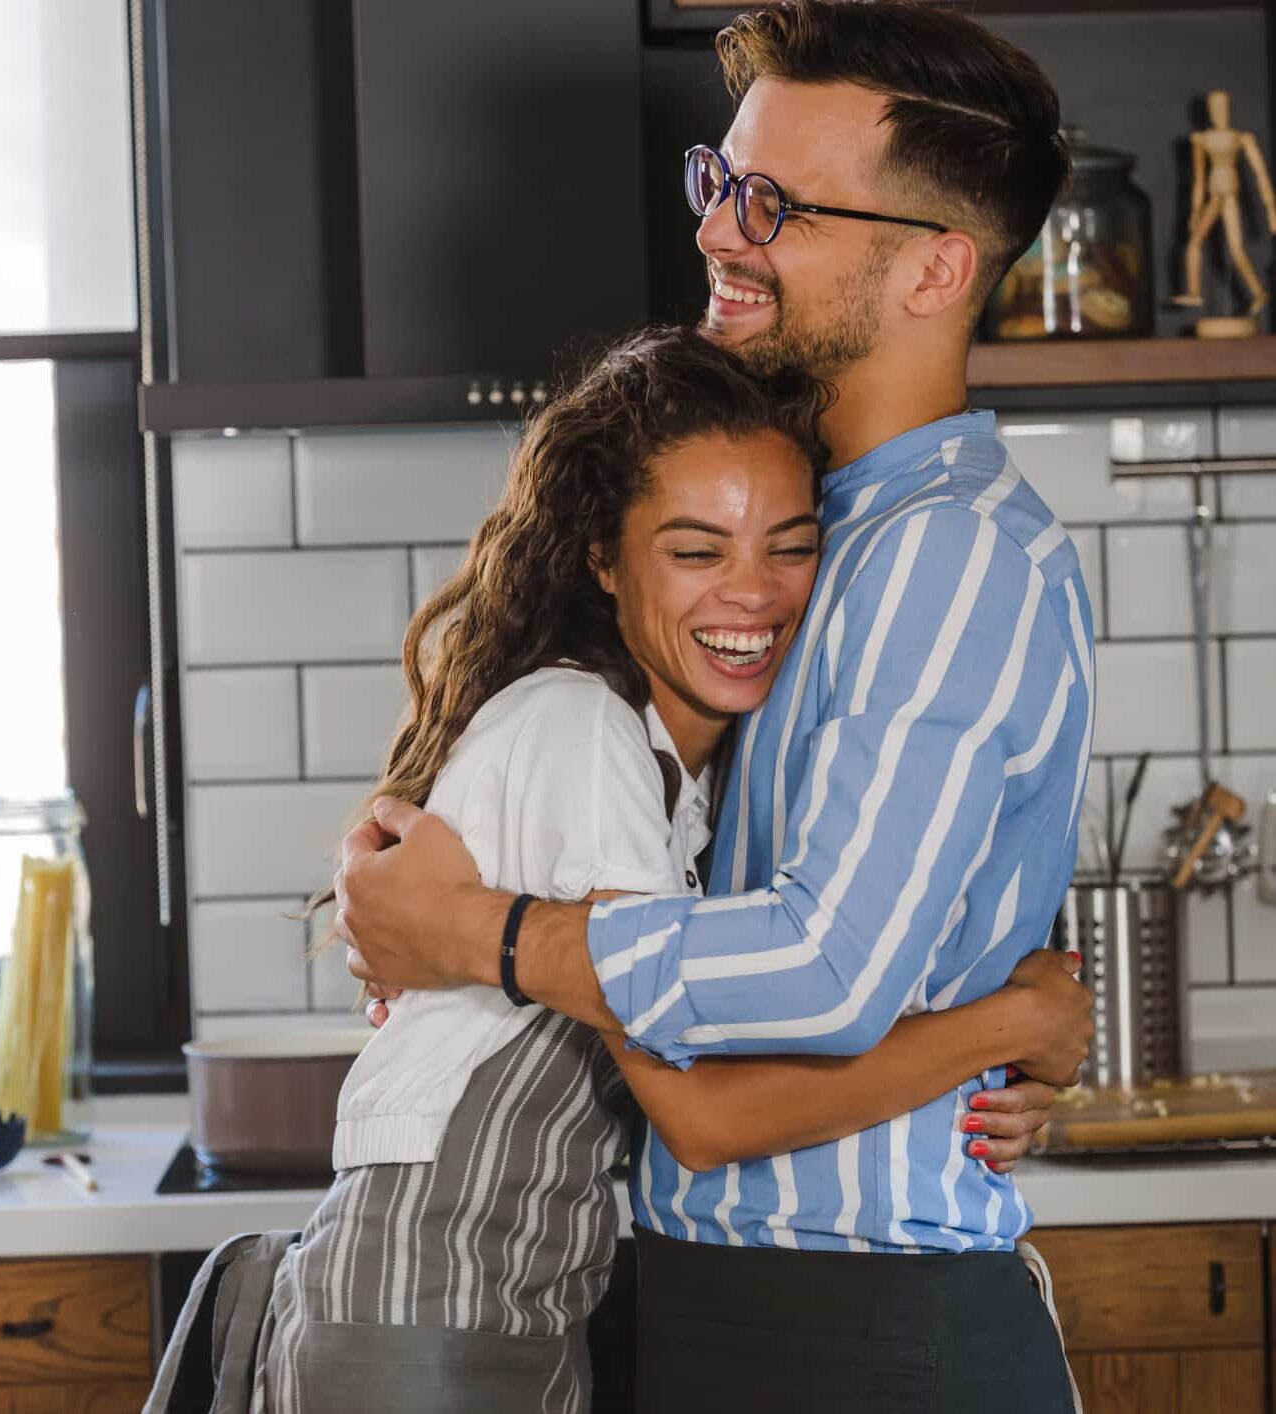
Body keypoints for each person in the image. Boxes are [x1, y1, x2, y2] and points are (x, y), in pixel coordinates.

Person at [339, 3, 1095, 1410]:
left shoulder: (943, 547)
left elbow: (824, 968)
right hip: (736, 1296)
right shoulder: (812, 527)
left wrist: (478, 932)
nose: (716, 232)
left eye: (775, 205)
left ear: (935, 269)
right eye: (718, 182)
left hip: (856, 1320)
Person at [242, 328, 1089, 1414]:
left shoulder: (680, 774)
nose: (753, 595)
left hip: (503, 1304)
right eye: (696, 551)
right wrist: (1004, 1026)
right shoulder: (580, 733)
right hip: (433, 1309)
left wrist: (994, 1072)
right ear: (603, 557)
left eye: (789, 546)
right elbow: (703, 1115)